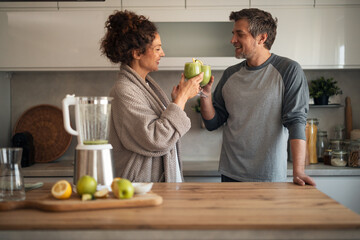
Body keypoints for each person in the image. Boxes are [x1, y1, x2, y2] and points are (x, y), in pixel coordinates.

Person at [200, 8, 316, 186]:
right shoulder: (230, 74)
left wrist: (298, 171)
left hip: (269, 175)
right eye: (233, 34)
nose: (233, 40)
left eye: (240, 34)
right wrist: (205, 96)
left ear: (262, 38)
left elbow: (296, 122)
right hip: (230, 173)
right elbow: (212, 123)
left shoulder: (289, 70)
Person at [100, 10, 203, 182]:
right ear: (137, 53)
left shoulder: (144, 85)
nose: (162, 53)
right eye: (157, 48)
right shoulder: (124, 91)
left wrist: (174, 101)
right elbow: (156, 139)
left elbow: (157, 127)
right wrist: (181, 99)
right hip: (141, 187)